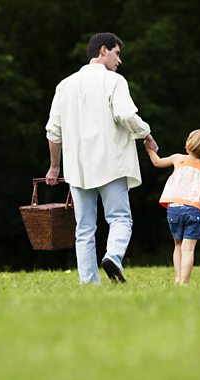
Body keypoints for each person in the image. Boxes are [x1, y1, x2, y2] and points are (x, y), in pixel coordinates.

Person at [45, 32, 158, 285]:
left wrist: (54, 167)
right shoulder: (114, 81)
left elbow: (53, 131)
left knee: (84, 228)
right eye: (117, 53)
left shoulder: (64, 85)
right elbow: (126, 115)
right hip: (110, 164)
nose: (119, 60)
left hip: (77, 168)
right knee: (120, 218)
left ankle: (89, 284)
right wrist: (146, 134)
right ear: (103, 50)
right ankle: (113, 258)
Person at [145, 128, 200, 285]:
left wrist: (148, 147)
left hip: (174, 208)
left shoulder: (178, 158)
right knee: (188, 248)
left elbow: (157, 162)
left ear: (190, 144)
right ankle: (184, 282)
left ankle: (177, 279)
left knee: (177, 245)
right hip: (194, 210)